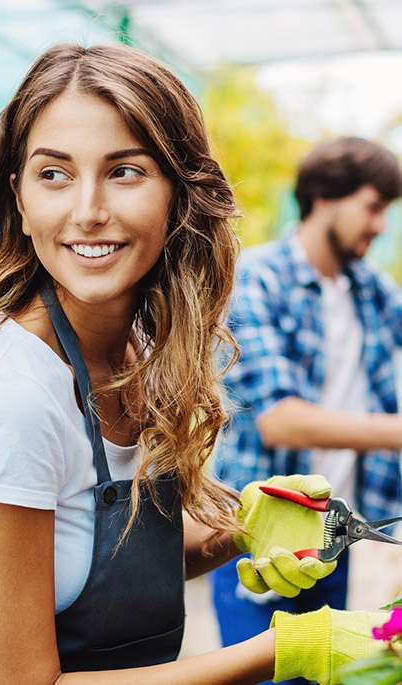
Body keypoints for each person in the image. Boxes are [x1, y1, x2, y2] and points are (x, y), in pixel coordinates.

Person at [0, 45, 389, 685]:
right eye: (54, 174)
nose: (87, 210)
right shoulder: (12, 399)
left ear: (179, 194)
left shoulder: (136, 351)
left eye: (125, 171)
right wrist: (293, 648)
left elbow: (92, 569)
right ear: (19, 200)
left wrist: (241, 532)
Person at [211, 136, 402, 684]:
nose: (381, 225)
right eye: (373, 206)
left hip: (332, 534)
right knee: (261, 676)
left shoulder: (365, 289)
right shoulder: (256, 279)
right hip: (259, 537)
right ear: (324, 197)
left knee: (323, 674)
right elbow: (279, 419)